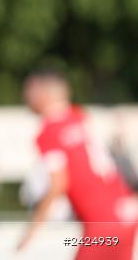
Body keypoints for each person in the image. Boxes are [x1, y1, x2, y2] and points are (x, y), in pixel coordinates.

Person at [19, 69, 138, 259]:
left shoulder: (49, 132)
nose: (26, 97)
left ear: (43, 93)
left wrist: (32, 228)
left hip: (102, 221)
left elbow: (58, 183)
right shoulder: (78, 115)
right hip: (125, 212)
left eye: (30, 90)